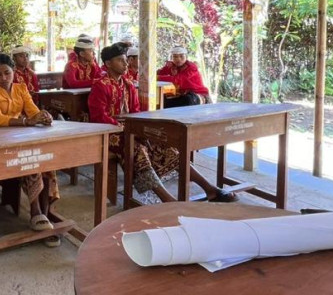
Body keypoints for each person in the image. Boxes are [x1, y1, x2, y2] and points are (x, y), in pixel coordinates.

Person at [89, 45, 233, 204]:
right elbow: (99, 117)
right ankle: (168, 200)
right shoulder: (100, 85)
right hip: (110, 133)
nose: (125, 64)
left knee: (164, 143)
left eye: (125, 60)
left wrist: (139, 128)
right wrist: (125, 128)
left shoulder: (128, 84)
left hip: (129, 128)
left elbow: (136, 111)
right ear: (108, 64)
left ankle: (209, 188)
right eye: (120, 60)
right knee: (137, 150)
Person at [0, 53, 60, 246]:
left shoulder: (21, 88)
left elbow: (33, 111)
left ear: (14, 71)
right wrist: (27, 122)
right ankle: (36, 211)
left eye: (7, 73)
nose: (3, 78)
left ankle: (45, 213)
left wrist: (43, 116)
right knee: (30, 159)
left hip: (18, 137)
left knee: (46, 161)